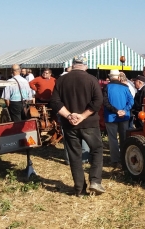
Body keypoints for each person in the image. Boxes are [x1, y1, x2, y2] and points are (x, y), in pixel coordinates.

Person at [50, 55, 105, 197]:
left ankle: (80, 189)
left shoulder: (61, 80)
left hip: (69, 125)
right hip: (89, 124)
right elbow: (98, 101)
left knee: (75, 156)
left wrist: (69, 115)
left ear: (73, 65)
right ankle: (95, 181)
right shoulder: (91, 79)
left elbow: (55, 102)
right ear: (85, 66)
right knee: (97, 150)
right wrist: (83, 116)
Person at [103, 69, 134, 169]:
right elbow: (131, 101)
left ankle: (115, 160)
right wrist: (124, 110)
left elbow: (105, 103)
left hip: (111, 117)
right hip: (124, 116)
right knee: (124, 138)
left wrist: (116, 111)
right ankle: (125, 159)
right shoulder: (125, 87)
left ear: (110, 77)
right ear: (119, 77)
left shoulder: (106, 87)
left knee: (113, 140)